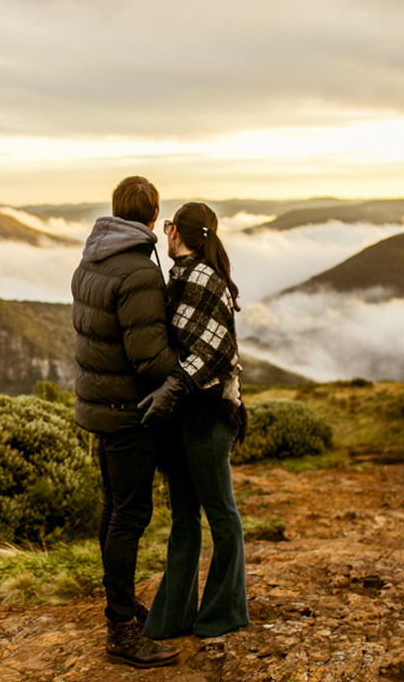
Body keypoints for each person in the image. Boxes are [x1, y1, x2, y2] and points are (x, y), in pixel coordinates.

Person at [71, 176, 182, 668]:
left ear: (117, 211)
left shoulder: (91, 260)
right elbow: (147, 358)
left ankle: (120, 610)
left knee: (113, 508)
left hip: (99, 405)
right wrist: (186, 371)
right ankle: (120, 629)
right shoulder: (138, 270)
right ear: (153, 216)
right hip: (127, 412)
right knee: (130, 515)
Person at [139, 201, 250, 640]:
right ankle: (173, 617)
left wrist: (172, 387)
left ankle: (224, 612)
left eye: (169, 226)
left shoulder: (203, 280)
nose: (166, 233)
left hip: (207, 415)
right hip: (183, 415)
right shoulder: (183, 276)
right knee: (185, 517)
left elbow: (215, 354)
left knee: (220, 513)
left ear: (178, 233)